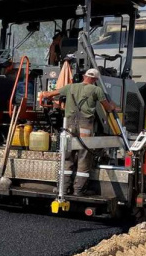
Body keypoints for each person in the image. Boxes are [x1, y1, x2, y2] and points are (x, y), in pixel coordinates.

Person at [39, 68, 117, 196]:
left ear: (84, 76)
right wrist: (113, 107)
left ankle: (63, 189)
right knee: (83, 156)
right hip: (85, 125)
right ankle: (78, 190)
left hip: (69, 125)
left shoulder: (70, 87)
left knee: (68, 156)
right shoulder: (97, 90)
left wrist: (44, 95)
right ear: (95, 80)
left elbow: (49, 95)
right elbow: (108, 108)